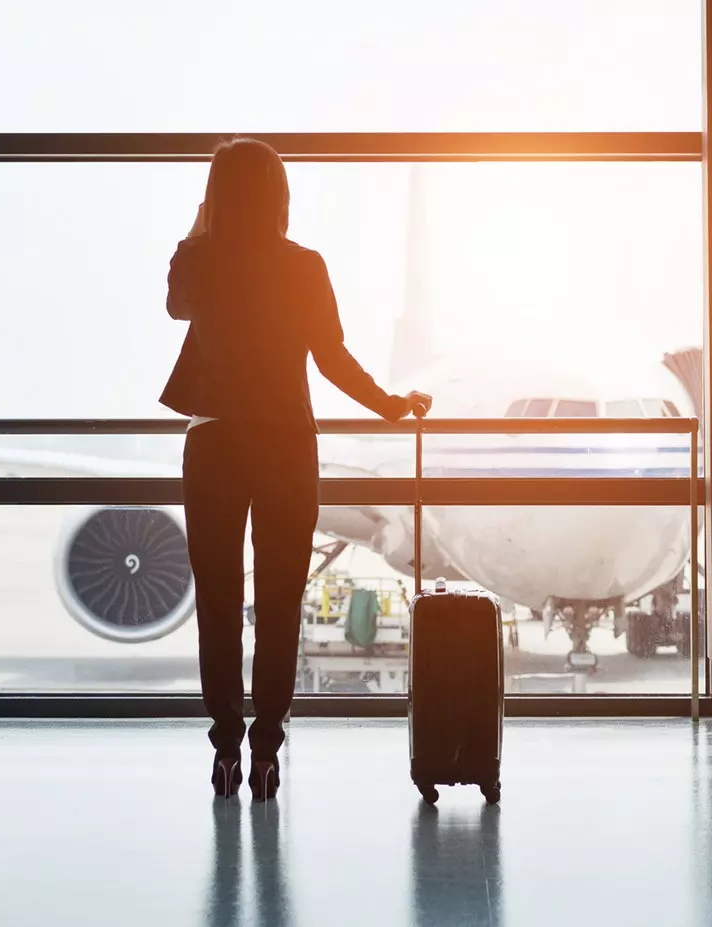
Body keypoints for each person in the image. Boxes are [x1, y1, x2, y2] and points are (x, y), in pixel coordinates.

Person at [161, 138, 431, 799]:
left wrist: (203, 220)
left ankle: (224, 748)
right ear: (282, 195)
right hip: (285, 447)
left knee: (219, 606)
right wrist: (392, 407)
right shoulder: (303, 265)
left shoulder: (201, 262)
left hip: (215, 446)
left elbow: (176, 304)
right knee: (281, 606)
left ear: (219, 194)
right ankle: (268, 752)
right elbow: (333, 357)